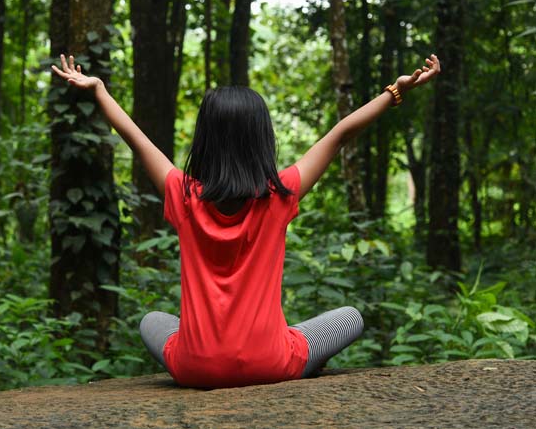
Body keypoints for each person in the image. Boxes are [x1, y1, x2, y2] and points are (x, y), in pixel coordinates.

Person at [51, 53, 441, 389]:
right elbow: (339, 135)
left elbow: (136, 140)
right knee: (350, 318)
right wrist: (397, 90)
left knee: (153, 320)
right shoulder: (281, 194)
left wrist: (99, 90)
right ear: (261, 139)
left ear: (204, 139)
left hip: (195, 369)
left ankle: (231, 350)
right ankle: (280, 346)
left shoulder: (183, 195)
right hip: (270, 364)